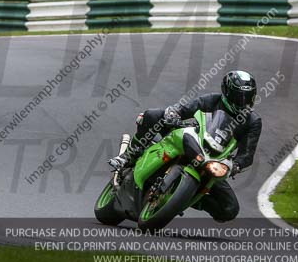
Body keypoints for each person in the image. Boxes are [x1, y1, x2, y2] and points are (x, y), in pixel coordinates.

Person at [108, 70, 261, 223]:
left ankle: (187, 198)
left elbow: (247, 153)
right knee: (152, 116)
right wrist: (174, 113)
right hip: (191, 140)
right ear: (227, 92)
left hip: (213, 162)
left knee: (230, 209)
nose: (243, 102)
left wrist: (235, 166)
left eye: (247, 97)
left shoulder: (253, 122)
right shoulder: (213, 100)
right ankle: (128, 157)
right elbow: (187, 107)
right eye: (238, 97)